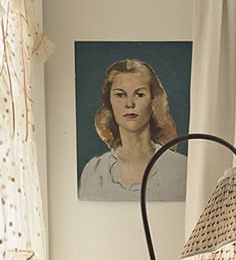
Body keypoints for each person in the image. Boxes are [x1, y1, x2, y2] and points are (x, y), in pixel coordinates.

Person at [78, 59, 187, 202]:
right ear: (109, 102)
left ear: (153, 101)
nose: (130, 104)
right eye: (120, 95)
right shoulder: (95, 171)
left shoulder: (181, 167)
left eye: (140, 94)